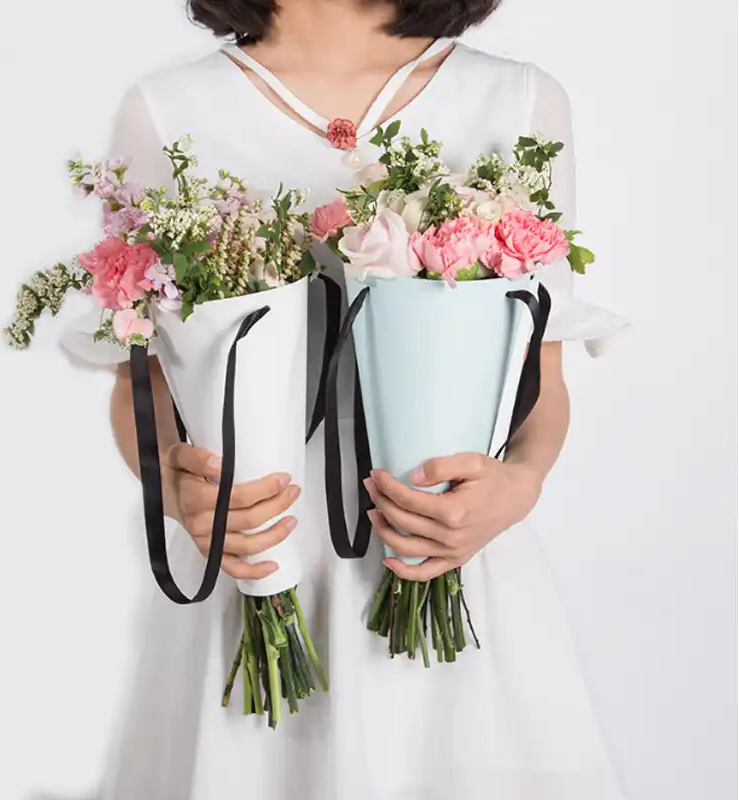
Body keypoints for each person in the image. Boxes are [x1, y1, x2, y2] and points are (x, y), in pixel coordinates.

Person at [62, 1, 629, 797]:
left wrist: (518, 484)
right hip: (256, 557)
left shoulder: (517, 101)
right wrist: (176, 488)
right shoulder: (166, 111)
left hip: (443, 546)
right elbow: (140, 381)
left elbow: (541, 372)